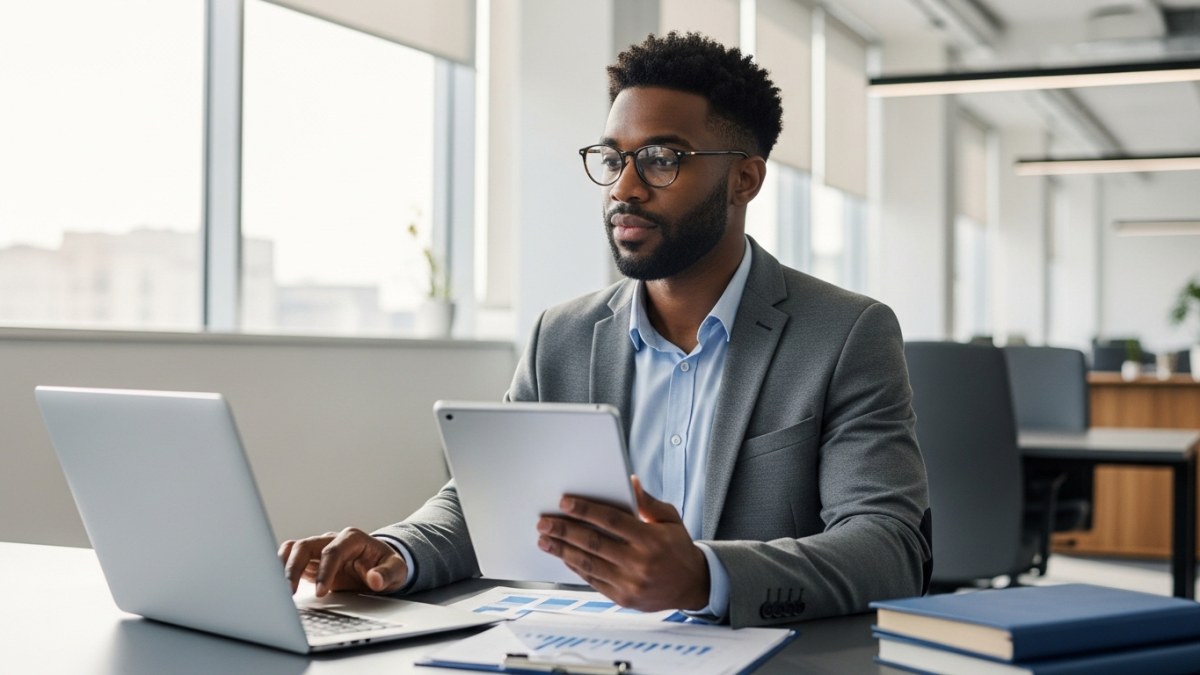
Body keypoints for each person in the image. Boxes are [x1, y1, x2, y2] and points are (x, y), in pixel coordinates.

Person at [279, 32, 930, 628]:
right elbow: (485, 501)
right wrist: (395, 550)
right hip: (580, 646)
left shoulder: (845, 333)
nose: (625, 187)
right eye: (612, 158)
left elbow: (888, 545)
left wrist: (705, 575)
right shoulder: (560, 335)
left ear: (745, 178)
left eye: (660, 159)